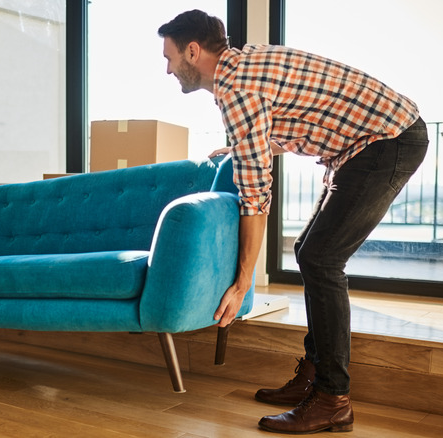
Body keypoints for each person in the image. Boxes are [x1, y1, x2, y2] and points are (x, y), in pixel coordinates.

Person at [158, 10, 428, 434]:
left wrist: (243, 281)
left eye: (170, 57)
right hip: (363, 144)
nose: (168, 68)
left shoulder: (237, 87)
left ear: (193, 51)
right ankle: (315, 375)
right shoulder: (241, 66)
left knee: (321, 258)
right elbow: (281, 122)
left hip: (387, 140)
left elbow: (255, 196)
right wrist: (241, 149)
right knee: (310, 252)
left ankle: (332, 399)